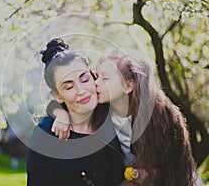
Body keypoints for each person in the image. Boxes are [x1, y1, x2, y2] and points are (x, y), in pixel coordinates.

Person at [49, 55, 198, 185]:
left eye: (105, 78)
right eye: (97, 76)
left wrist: (138, 175)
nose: (95, 83)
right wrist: (61, 114)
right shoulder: (102, 108)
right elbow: (56, 103)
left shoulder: (159, 117)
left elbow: (163, 170)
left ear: (128, 86)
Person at [26, 38, 125, 186]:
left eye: (84, 79)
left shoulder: (112, 118)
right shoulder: (46, 134)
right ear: (57, 96)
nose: (82, 91)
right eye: (69, 87)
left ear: (93, 77)